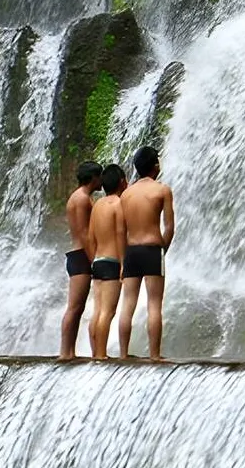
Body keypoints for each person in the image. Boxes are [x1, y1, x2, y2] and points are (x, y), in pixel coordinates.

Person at [118, 145, 176, 360]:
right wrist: (163, 251)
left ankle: (123, 354)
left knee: (128, 304)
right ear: (155, 166)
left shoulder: (126, 194)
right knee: (154, 304)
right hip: (153, 249)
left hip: (131, 250)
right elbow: (169, 227)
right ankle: (154, 355)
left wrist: (124, 259)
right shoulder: (162, 190)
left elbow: (122, 230)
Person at [57, 160, 102, 360]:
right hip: (82, 255)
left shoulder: (76, 197)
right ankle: (65, 352)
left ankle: (68, 351)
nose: (102, 180)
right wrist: (94, 260)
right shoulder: (83, 199)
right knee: (75, 307)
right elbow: (84, 234)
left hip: (76, 255)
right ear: (93, 178)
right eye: (99, 176)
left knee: (76, 307)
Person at [86, 164, 128, 360]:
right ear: (121, 182)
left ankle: (95, 352)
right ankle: (101, 355)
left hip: (98, 261)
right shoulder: (118, 204)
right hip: (112, 262)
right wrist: (123, 263)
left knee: (97, 311)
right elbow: (120, 234)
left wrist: (93, 259)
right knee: (107, 312)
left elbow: (90, 237)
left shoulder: (97, 205)